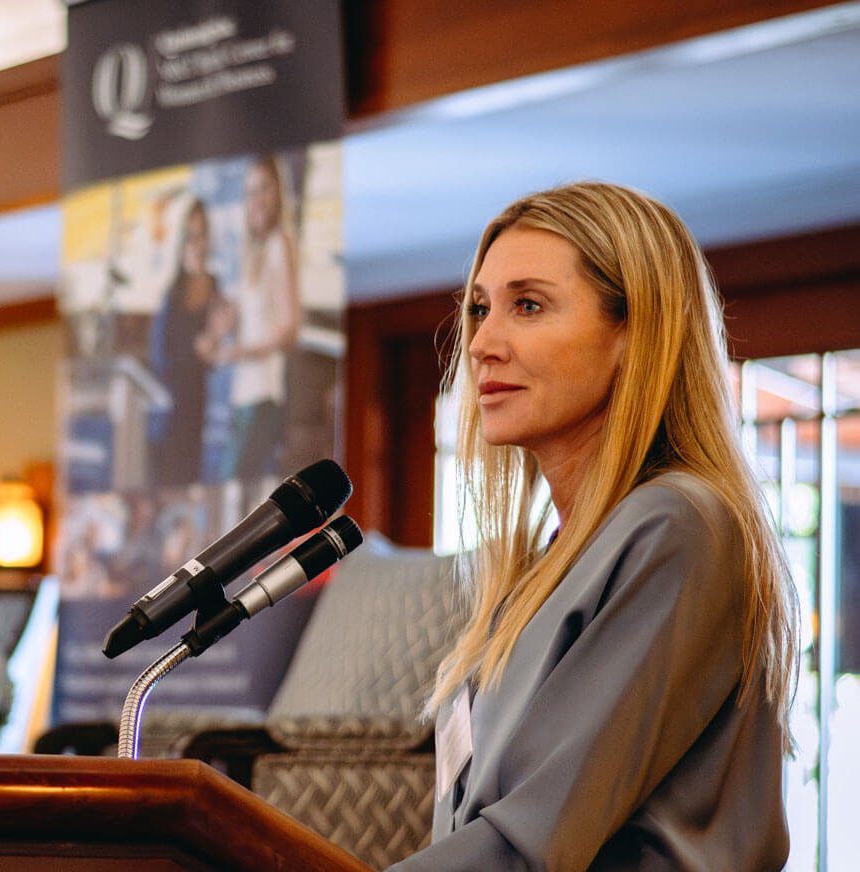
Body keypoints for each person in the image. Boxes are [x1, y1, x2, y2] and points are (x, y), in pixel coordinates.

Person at [387, 182, 797, 871]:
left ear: (633, 332)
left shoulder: (678, 526)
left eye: (529, 305)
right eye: (480, 309)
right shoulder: (545, 566)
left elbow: (529, 846)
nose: (483, 343)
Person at [212, 154, 300, 481]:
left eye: (264, 188)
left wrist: (242, 351)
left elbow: (288, 329)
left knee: (235, 477)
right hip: (243, 392)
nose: (257, 199)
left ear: (277, 192)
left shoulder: (280, 245)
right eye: (251, 191)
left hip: (264, 391)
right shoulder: (254, 251)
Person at [147, 199, 228, 487]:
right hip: (171, 404)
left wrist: (214, 344)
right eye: (190, 235)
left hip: (200, 401)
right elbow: (160, 355)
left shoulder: (217, 287)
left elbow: (221, 348)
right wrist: (197, 349)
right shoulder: (172, 294)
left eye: (202, 234)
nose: (197, 243)